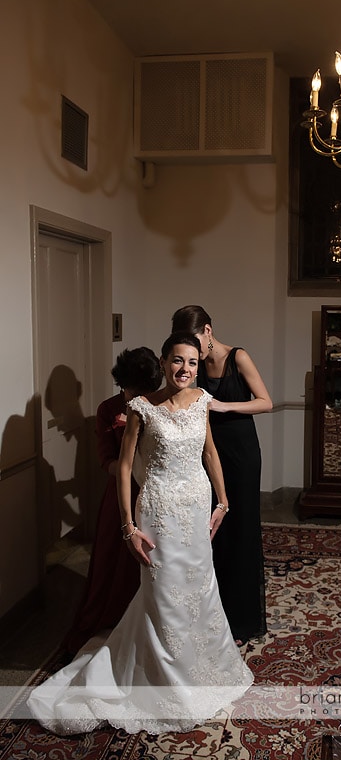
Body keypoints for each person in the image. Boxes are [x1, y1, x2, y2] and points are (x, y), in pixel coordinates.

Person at [28, 333, 253, 735]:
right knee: (163, 595)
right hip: (160, 513)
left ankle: (203, 671)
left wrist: (222, 501)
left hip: (196, 510)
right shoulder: (140, 408)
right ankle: (162, 683)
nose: (185, 369)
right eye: (177, 361)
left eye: (192, 362)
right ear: (164, 362)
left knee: (200, 589)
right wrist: (128, 527)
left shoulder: (202, 399)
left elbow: (210, 452)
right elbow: (126, 468)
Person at [171, 305, 272, 645]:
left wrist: (224, 406)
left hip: (241, 454)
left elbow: (265, 402)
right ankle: (209, 612)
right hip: (207, 452)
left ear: (209, 331)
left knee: (240, 529)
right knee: (210, 531)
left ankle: (240, 618)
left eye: (197, 342)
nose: (193, 353)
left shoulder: (238, 357)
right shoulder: (191, 363)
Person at [61, 347, 163, 657]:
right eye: (130, 388)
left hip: (156, 491)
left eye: (143, 389)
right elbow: (105, 458)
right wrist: (126, 471)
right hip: (121, 492)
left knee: (153, 558)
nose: (135, 395)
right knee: (112, 556)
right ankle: (110, 619)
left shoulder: (161, 403)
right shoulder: (108, 409)